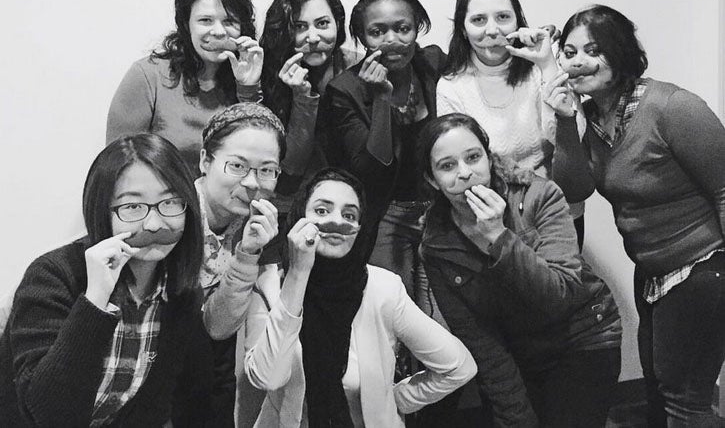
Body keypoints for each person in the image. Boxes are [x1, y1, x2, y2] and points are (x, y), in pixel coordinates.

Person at [546, 4, 725, 427]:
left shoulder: (672, 107)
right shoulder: (592, 115)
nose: (579, 61)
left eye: (594, 49)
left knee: (685, 397)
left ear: (621, 52)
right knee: (660, 388)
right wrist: (565, 120)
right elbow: (575, 189)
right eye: (569, 52)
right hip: (651, 273)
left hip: (701, 268)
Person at [419, 113, 622, 427]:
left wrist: (498, 237)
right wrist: (517, 419)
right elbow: (482, 342)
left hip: (582, 334)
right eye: (447, 166)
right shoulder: (437, 246)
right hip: (520, 351)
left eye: (473, 158)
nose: (464, 173)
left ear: (488, 157)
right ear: (432, 179)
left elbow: (559, 295)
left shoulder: (540, 195)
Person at [236, 167, 476, 427]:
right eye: (321, 210)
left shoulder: (383, 289)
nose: (336, 221)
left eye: (349, 214)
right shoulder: (268, 285)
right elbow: (267, 377)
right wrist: (298, 273)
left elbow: (458, 366)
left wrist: (396, 400)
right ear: (298, 218)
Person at [0, 134, 211, 426]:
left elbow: (153, 410)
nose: (153, 224)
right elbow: (48, 412)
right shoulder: (52, 276)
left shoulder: (182, 293)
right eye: (132, 207)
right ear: (102, 210)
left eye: (170, 202)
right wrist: (95, 300)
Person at [437, 0, 587, 248]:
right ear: (462, 28)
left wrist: (546, 66)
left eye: (503, 17)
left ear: (518, 20)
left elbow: (573, 139)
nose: (492, 30)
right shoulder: (451, 86)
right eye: (478, 20)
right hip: (492, 218)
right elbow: (459, 165)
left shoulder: (543, 64)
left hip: (555, 212)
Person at [327, 0, 445, 305]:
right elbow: (370, 170)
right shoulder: (345, 90)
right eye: (377, 31)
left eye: (402, 28)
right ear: (362, 38)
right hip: (386, 216)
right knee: (393, 313)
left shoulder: (433, 64)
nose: (391, 40)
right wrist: (381, 98)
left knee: (443, 318)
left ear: (417, 28)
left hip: (441, 211)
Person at [107, 0, 264, 176]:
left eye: (229, 21)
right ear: (186, 24)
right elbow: (116, 166)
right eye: (205, 20)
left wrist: (248, 88)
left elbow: (258, 157)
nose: (218, 31)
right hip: (164, 203)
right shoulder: (148, 75)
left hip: (229, 203)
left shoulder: (252, 72)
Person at [195, 102, 286, 427]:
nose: (252, 183)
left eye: (266, 170)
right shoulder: (174, 216)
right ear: (206, 160)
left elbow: (219, 327)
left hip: (209, 358)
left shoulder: (261, 226)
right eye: (237, 166)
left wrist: (248, 253)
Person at [259, 0, 361, 197]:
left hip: (351, 201)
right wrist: (302, 98)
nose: (312, 37)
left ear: (337, 22)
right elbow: (290, 174)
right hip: (286, 201)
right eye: (299, 26)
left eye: (322, 23)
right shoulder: (266, 72)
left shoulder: (357, 68)